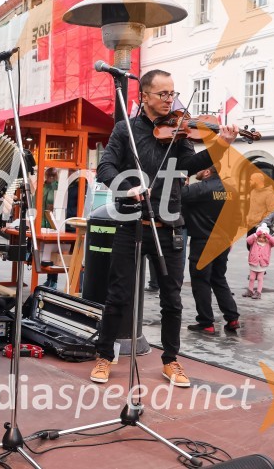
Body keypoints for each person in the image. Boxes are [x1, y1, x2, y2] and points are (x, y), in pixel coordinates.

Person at [89, 69, 238, 388]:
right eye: (164, 94)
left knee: (172, 297)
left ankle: (171, 360)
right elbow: (105, 167)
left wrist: (222, 145)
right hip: (131, 223)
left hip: (170, 225)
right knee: (118, 295)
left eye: (173, 94)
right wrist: (128, 186)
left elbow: (193, 166)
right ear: (143, 96)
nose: (171, 100)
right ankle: (104, 354)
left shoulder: (179, 133)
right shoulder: (124, 129)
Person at [181, 166, 240, 334]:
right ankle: (232, 318)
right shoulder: (232, 191)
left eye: (200, 169)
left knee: (201, 281)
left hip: (202, 241)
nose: (196, 171)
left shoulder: (199, 188)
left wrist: (182, 181)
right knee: (218, 278)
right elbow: (237, 216)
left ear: (207, 172)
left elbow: (177, 196)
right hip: (222, 241)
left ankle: (206, 322)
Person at [245, 223, 274, 299]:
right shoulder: (254, 241)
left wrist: (268, 236)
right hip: (253, 262)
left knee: (260, 278)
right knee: (252, 278)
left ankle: (258, 292)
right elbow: (248, 240)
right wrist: (256, 234)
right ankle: (250, 291)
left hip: (263, 263)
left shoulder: (268, 243)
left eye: (263, 238)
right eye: (259, 237)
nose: (261, 239)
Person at [246, 171, 274, 249]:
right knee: (249, 247)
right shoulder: (252, 192)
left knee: (259, 251)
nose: (249, 181)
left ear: (257, 181)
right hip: (250, 225)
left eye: (251, 180)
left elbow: (272, 210)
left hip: (260, 227)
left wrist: (262, 224)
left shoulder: (268, 194)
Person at [41, 168, 60, 288]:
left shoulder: (55, 186)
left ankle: (54, 281)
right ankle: (49, 278)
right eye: (49, 174)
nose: (50, 176)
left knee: (54, 253)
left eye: (53, 174)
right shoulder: (43, 186)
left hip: (53, 223)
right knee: (46, 254)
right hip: (43, 223)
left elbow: (53, 202)